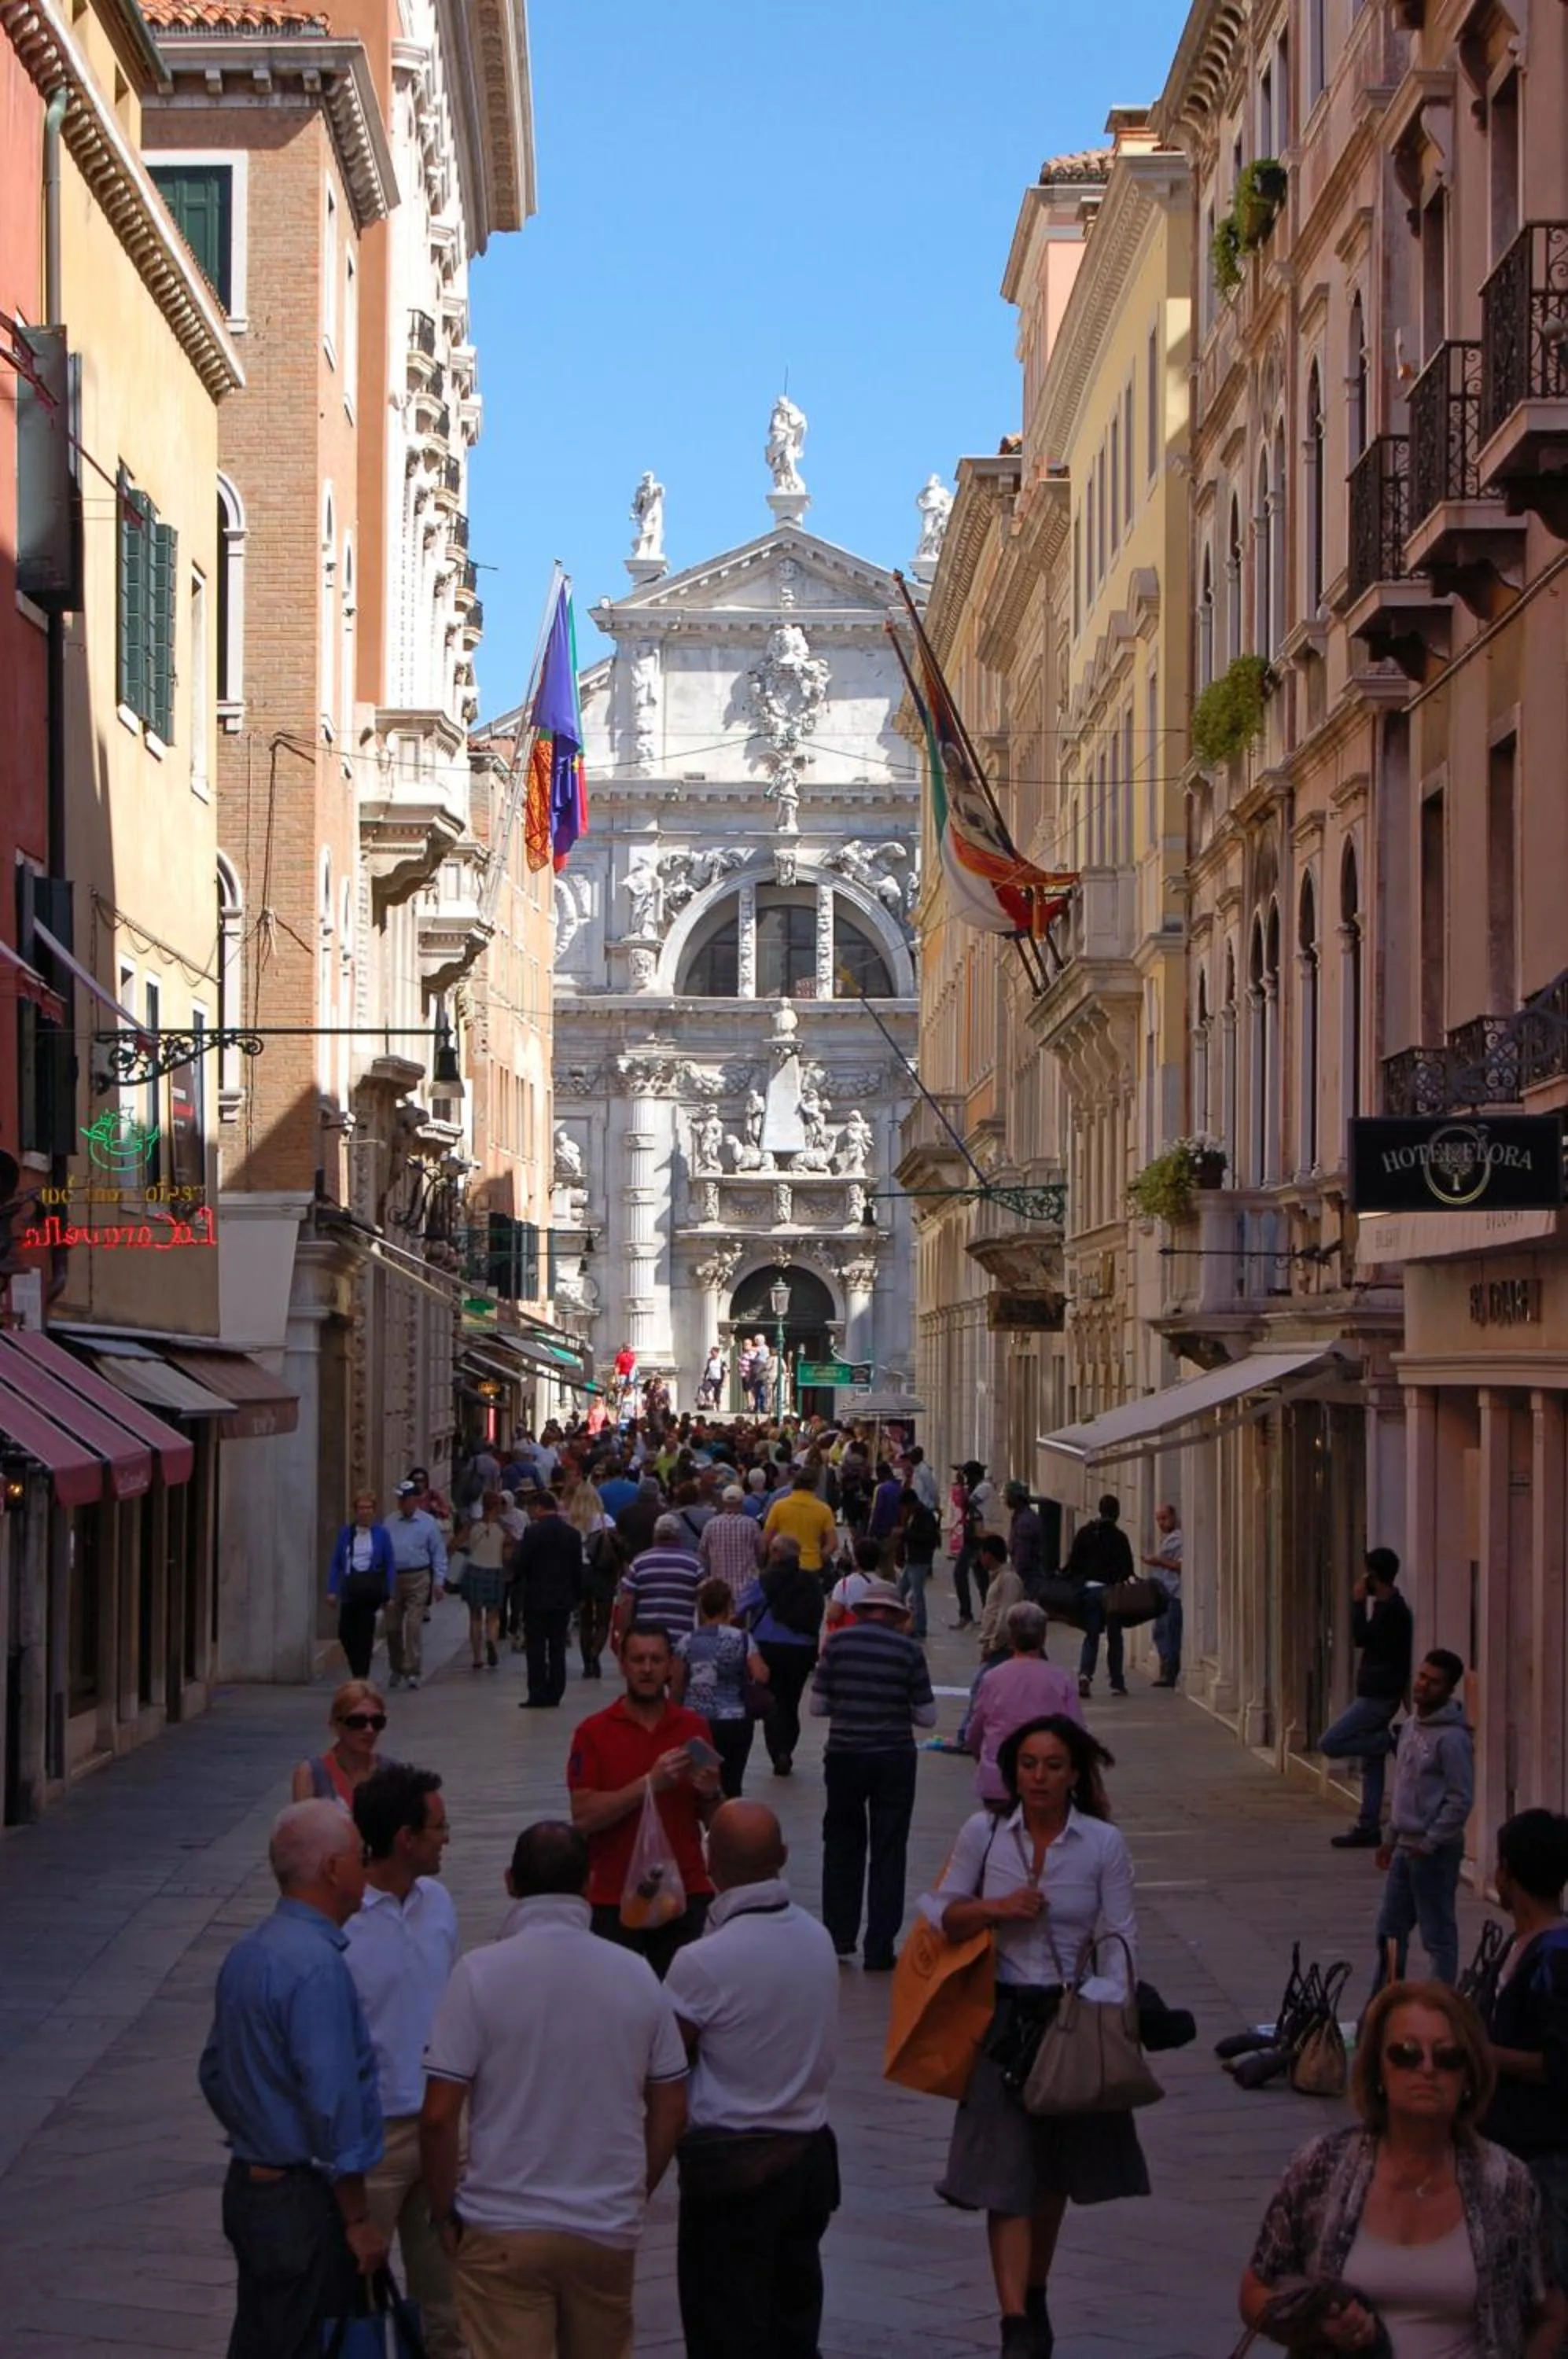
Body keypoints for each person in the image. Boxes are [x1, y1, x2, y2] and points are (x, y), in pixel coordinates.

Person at [420, 1820, 689, 2359]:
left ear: (509, 1883)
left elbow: (438, 2115)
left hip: (503, 2225)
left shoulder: (478, 1974)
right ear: (589, 1882)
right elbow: (672, 2103)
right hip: (603, 2225)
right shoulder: (636, 1974)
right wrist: (636, 2185)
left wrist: (444, 2207)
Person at [931, 1714, 1145, 2359]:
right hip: (1000, 2020)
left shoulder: (1102, 1844)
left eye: (1053, 1765)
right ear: (1011, 1772)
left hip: (1069, 2021)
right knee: (1007, 2175)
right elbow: (940, 1913)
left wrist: (1099, 2013)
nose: (1039, 1777)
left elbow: (1120, 1942)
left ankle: (1037, 2287)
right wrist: (997, 1910)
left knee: (1050, 2177)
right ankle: (1015, 2320)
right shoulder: (986, 1834)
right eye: (1028, 1764)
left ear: (1075, 1774)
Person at [1241, 1978, 1562, 2358]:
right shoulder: (1321, 2166)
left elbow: (1551, 2313)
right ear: (1378, 2070)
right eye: (1406, 2053)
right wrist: (1316, 2325)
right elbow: (1255, 2292)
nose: (1427, 2069)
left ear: (1468, 2078)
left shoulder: (1507, 2183)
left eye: (1447, 2057)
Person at [199, 1801, 388, 2357]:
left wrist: (258, 2125)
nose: (366, 1870)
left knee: (264, 2336)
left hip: (251, 2187)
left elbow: (213, 2070)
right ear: (333, 1869)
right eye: (360, 1857)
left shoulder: (250, 1952)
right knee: (305, 2338)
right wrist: (357, 2217)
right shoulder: (317, 1966)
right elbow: (332, 2102)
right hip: (302, 2201)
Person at [665, 1801, 841, 2359]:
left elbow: (666, 2059)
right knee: (792, 2324)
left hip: (733, 2170)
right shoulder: (817, 1938)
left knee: (724, 2330)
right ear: (783, 1858)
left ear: (707, 1861)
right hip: (809, 2157)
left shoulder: (702, 1961)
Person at [344, 1766, 462, 2359]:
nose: (447, 1838)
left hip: (441, 2126)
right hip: (375, 2138)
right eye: (438, 1827)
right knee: (354, 2299)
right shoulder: (342, 1921)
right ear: (403, 1839)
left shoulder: (439, 1902)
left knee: (449, 2300)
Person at [567, 1624, 721, 1976]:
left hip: (685, 1894)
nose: (647, 1669)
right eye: (638, 1660)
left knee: (685, 2009)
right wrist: (649, 1784)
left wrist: (711, 1792)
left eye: (656, 1660)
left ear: (671, 1666)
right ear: (622, 1665)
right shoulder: (593, 1733)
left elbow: (714, 1821)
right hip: (613, 1897)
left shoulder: (693, 1729)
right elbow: (584, 1817)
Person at [810, 1576, 936, 1971]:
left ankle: (839, 1935)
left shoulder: (838, 1644)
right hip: (894, 1756)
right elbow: (927, 1715)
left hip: (846, 1754)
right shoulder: (908, 1650)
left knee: (843, 1843)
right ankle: (880, 1947)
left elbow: (817, 1706)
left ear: (861, 1611)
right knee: (889, 1848)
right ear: (896, 1614)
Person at [1477, 1809, 1568, 2297]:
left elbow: (1560, 2066)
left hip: (1547, 2158)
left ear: (1507, 1871)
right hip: (1505, 2147)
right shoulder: (1519, 1945)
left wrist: (1485, 2053)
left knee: (1549, 2287)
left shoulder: (1556, 1957)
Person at [1374, 1649, 1474, 1990]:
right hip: (1404, 1845)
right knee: (1389, 1932)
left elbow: (1460, 1798)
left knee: (1437, 1936)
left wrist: (1431, 1841)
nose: (1423, 1686)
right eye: (1422, 1677)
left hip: (1434, 1852)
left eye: (1434, 1682)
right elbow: (1402, 1786)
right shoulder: (1411, 1727)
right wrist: (1390, 1837)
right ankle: (1383, 2005)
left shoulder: (1453, 1739)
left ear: (1448, 1689)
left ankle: (1440, 2005)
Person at [1321, 1548, 1415, 1848]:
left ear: (1373, 1576)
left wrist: (1357, 1603)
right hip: (1378, 1691)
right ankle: (1369, 1824)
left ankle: (1388, 1742)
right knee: (1371, 1765)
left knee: (1331, 1742)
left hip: (1378, 1695)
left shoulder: (1392, 1612)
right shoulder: (1391, 1608)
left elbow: (1362, 1638)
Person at [965, 1604, 1087, 1806]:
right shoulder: (1060, 1680)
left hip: (998, 1779)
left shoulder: (992, 1678)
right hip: (1046, 1782)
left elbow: (974, 1733)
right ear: (1043, 1637)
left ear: (1011, 1638)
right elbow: (1078, 1733)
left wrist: (984, 1759)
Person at [673, 1578, 769, 1799]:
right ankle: (731, 1826)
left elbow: (677, 1684)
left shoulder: (686, 1641)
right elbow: (760, 1674)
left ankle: (708, 1828)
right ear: (729, 1606)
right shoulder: (743, 1639)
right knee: (732, 1782)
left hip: (697, 1722)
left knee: (703, 1784)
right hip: (735, 1720)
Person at [739, 1536, 825, 1778]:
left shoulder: (765, 1581)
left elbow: (739, 1607)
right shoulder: (811, 1582)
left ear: (775, 1553)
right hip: (802, 1649)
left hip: (769, 1648)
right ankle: (786, 1748)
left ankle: (778, 1751)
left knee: (773, 1700)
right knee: (792, 1701)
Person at [514, 1486, 583, 1709]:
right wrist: (576, 1596)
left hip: (536, 1599)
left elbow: (521, 1565)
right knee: (557, 1647)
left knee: (535, 1648)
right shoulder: (572, 1535)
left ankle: (537, 1692)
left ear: (538, 1508)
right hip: (562, 1600)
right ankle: (556, 1691)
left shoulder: (532, 1533)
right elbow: (577, 1570)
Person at [1061, 1495, 1133, 1700]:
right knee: (1115, 1637)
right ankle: (1117, 1682)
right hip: (1111, 1593)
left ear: (1100, 1510)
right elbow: (1127, 1569)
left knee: (1091, 1636)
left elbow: (1073, 1564)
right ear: (1116, 1513)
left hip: (1090, 1591)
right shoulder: (1120, 1537)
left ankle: (1085, 1675)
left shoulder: (1085, 1533)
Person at [385, 1481, 449, 1691]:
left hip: (418, 1577)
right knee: (392, 1628)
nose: (402, 1503)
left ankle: (413, 1670)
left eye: (406, 1499)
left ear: (415, 1501)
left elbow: (438, 1553)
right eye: (400, 1499)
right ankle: (396, 1667)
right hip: (394, 1578)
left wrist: (439, 1582)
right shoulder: (390, 1522)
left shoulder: (427, 1523)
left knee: (413, 1625)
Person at [291, 1679, 390, 1809]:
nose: (369, 1730)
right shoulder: (310, 1774)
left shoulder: (393, 1773)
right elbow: (302, 1827)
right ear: (335, 1725)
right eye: (357, 1721)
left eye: (377, 1722)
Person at [328, 1492, 396, 1679]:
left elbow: (390, 1564)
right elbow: (336, 1562)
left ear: (374, 1511)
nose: (365, 1512)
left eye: (369, 1508)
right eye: (361, 1508)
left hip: (370, 1589)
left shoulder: (382, 1534)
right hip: (351, 1588)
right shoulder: (346, 1533)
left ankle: (361, 1676)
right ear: (355, 1511)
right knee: (346, 1633)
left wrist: (389, 1594)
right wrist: (332, 1590)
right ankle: (357, 1669)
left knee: (365, 1635)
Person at [615, 1511, 705, 1649]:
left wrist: (623, 1636)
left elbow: (626, 1602)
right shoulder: (694, 1563)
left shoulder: (640, 1562)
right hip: (682, 1639)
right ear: (679, 1536)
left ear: (655, 1535)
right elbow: (703, 1603)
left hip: (647, 1639)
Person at [572, 1478, 624, 1680]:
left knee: (585, 1621)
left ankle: (587, 1664)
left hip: (581, 1572)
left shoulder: (573, 1523)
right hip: (602, 1573)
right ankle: (595, 1655)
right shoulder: (605, 1521)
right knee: (603, 1621)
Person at [458, 1490, 511, 1670]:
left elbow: (454, 1545)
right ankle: (491, 1641)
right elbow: (509, 1552)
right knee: (493, 1615)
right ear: (497, 1506)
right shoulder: (504, 1528)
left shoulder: (472, 1525)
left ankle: (477, 1657)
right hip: (495, 1571)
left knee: (474, 1616)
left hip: (474, 1570)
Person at [763, 1462, 840, 1578]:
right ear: (814, 1485)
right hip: (812, 1566)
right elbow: (832, 1544)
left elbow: (767, 1538)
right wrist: (821, 1557)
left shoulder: (779, 1506)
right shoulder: (823, 1509)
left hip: (784, 1564)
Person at [951, 1459, 1003, 1629]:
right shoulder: (980, 1488)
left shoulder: (984, 1488)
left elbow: (967, 1504)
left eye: (968, 1477)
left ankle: (968, 1614)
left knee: (961, 1574)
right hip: (974, 1537)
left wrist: (960, 1485)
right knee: (981, 1578)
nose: (967, 1481)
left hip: (978, 1540)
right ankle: (987, 1614)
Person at [1140, 1503, 1183, 1689]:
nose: (1161, 1523)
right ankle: (1166, 1670)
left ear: (1173, 1516)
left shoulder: (1179, 1539)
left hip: (1173, 1593)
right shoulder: (1170, 1539)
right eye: (1158, 1519)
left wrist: (1157, 1560)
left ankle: (1170, 1672)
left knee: (1169, 1634)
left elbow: (1180, 1566)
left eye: (1164, 1518)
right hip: (1164, 1593)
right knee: (1160, 1632)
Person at [698, 1484, 763, 1602]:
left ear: (723, 1502)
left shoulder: (711, 1525)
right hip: (746, 1591)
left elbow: (703, 1552)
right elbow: (760, 1552)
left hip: (719, 1591)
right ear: (741, 1502)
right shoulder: (751, 1524)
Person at [896, 1482, 940, 1641]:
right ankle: (899, 1622)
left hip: (920, 1560)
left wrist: (906, 1533)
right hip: (912, 1559)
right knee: (900, 1591)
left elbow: (929, 1538)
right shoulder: (914, 1515)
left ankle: (920, 1627)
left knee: (917, 1594)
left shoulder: (925, 1515)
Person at [976, 1534, 1025, 1662]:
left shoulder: (1009, 1579)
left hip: (1004, 1649)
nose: (980, 1559)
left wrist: (994, 1646)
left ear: (988, 1555)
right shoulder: (998, 1578)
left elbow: (1005, 1616)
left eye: (981, 1555)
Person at [1004, 1481, 1046, 1598]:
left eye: (1008, 1496)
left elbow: (1022, 1557)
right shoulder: (1021, 1517)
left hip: (1028, 1578)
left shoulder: (1025, 1522)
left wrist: (1015, 1581)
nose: (1006, 1500)